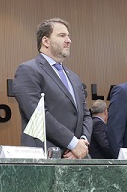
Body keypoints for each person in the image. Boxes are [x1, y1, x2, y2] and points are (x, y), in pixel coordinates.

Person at [12, 18, 92, 158]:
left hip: (77, 158)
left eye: (68, 36)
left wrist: (82, 143)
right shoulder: (29, 70)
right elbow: (38, 115)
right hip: (45, 158)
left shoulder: (74, 77)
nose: (68, 40)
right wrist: (73, 144)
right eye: (62, 36)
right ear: (46, 41)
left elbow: (85, 115)